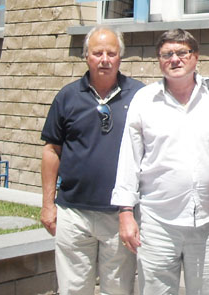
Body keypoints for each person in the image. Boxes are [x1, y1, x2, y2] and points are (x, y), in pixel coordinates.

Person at [111, 29, 209, 295]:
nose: (175, 59)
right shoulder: (144, 100)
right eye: (167, 54)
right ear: (159, 60)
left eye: (182, 52)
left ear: (196, 56)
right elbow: (129, 158)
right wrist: (125, 212)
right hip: (157, 222)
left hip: (208, 221)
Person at [40, 26, 143, 295]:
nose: (105, 59)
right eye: (98, 53)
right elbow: (51, 151)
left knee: (118, 290)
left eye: (111, 53)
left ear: (121, 57)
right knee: (73, 289)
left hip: (120, 215)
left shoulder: (140, 96)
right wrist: (48, 205)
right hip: (73, 214)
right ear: (86, 56)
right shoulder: (67, 97)